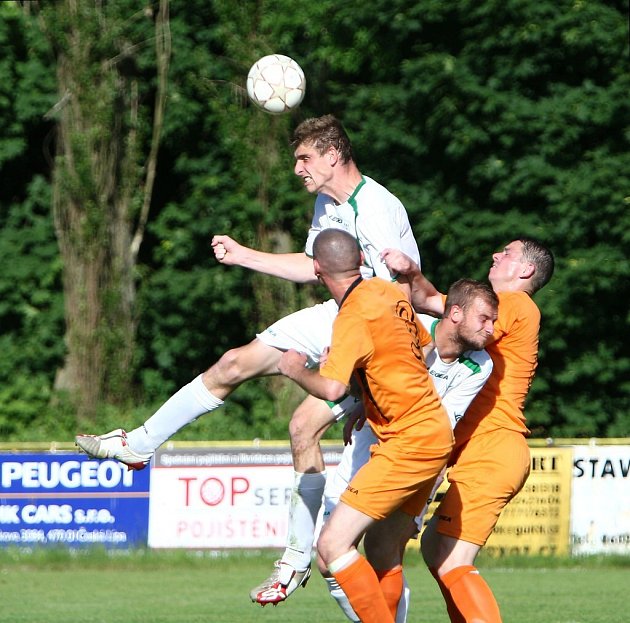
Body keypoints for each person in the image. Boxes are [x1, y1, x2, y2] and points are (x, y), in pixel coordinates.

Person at [74, 115, 421, 599]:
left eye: (304, 158)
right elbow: (314, 266)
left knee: (313, 446)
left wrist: (365, 388)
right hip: (338, 311)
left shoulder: (380, 207)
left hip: (378, 332)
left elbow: (401, 296)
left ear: (333, 154)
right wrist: (244, 255)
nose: (297, 169)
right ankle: (139, 444)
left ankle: (296, 560)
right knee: (234, 363)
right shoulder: (327, 202)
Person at [277, 227, 454, 623]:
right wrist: (368, 396)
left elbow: (330, 387)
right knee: (381, 552)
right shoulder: (389, 292)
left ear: (317, 270)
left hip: (408, 443)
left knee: (332, 547)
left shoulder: (351, 317)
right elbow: (422, 351)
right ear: (360, 261)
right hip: (434, 434)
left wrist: (297, 369)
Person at [382, 237, 554, 623]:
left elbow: (451, 319)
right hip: (483, 448)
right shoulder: (503, 309)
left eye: (506, 253)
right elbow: (440, 305)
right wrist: (413, 276)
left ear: (525, 270)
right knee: (436, 547)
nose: (495, 254)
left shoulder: (514, 304)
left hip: (493, 447)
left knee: (450, 556)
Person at [319, 277, 498, 622]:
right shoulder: (412, 324)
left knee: (381, 550)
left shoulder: (480, 364)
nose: (490, 329)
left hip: (419, 450)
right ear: (455, 313)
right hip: (375, 442)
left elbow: (439, 418)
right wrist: (361, 401)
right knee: (332, 555)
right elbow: (371, 371)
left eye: (493, 321)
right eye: (484, 318)